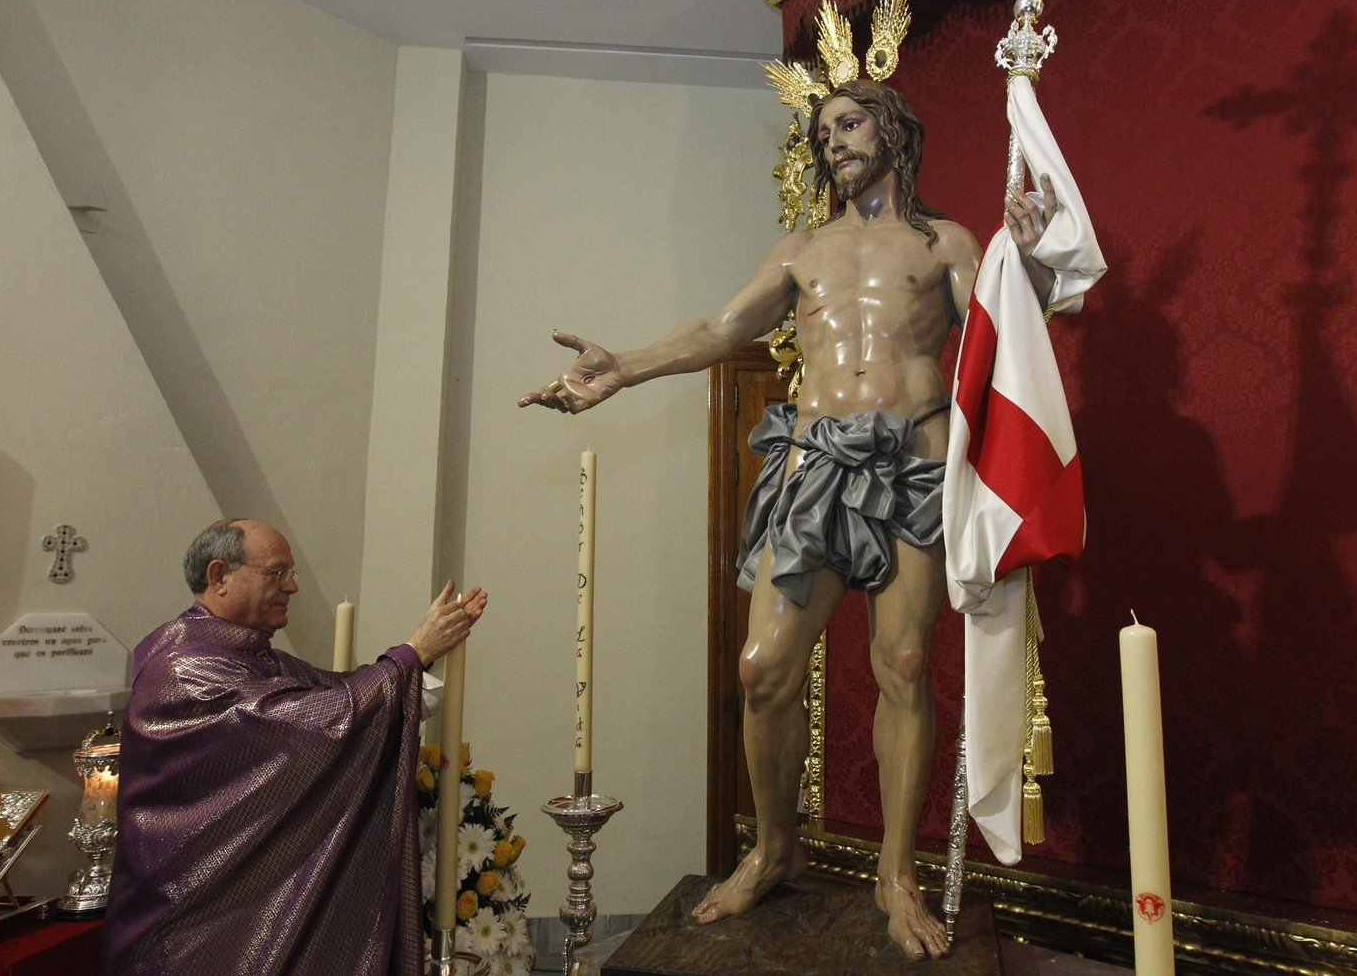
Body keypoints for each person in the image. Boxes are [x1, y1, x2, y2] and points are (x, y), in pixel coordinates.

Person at [520, 80, 1059, 960]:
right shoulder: (801, 249)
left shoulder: (948, 242)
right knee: (764, 664)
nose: (836, 141)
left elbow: (1008, 333)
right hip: (814, 466)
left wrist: (1030, 262)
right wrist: (626, 367)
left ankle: (895, 872)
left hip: (913, 464)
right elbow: (720, 325)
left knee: (906, 661)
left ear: (890, 129)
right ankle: (773, 847)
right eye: (824, 132)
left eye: (850, 123)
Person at [103, 517, 487, 976]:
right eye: (276, 572)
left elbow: (344, 699)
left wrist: (420, 656)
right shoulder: (185, 671)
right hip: (195, 931)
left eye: (292, 573)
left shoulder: (256, 658)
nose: (292, 587)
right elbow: (321, 723)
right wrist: (413, 652)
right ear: (219, 576)